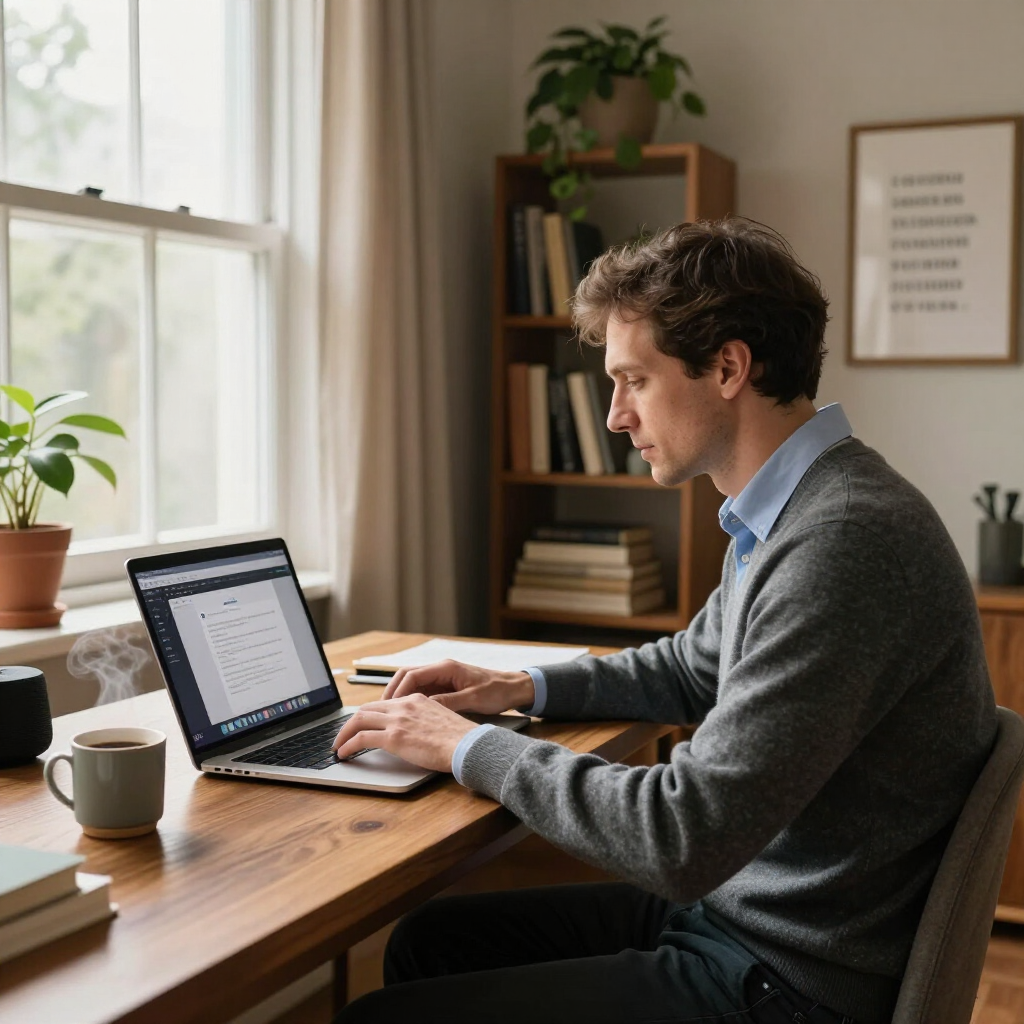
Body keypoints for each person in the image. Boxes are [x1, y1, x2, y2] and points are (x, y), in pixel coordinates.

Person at [332, 218, 996, 1024]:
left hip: (789, 978)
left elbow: (683, 837)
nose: (615, 416)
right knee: (429, 942)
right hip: (752, 916)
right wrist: (513, 687)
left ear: (727, 366)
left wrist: (466, 746)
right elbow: (692, 667)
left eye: (634, 380)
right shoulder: (795, 509)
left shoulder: (845, 539)